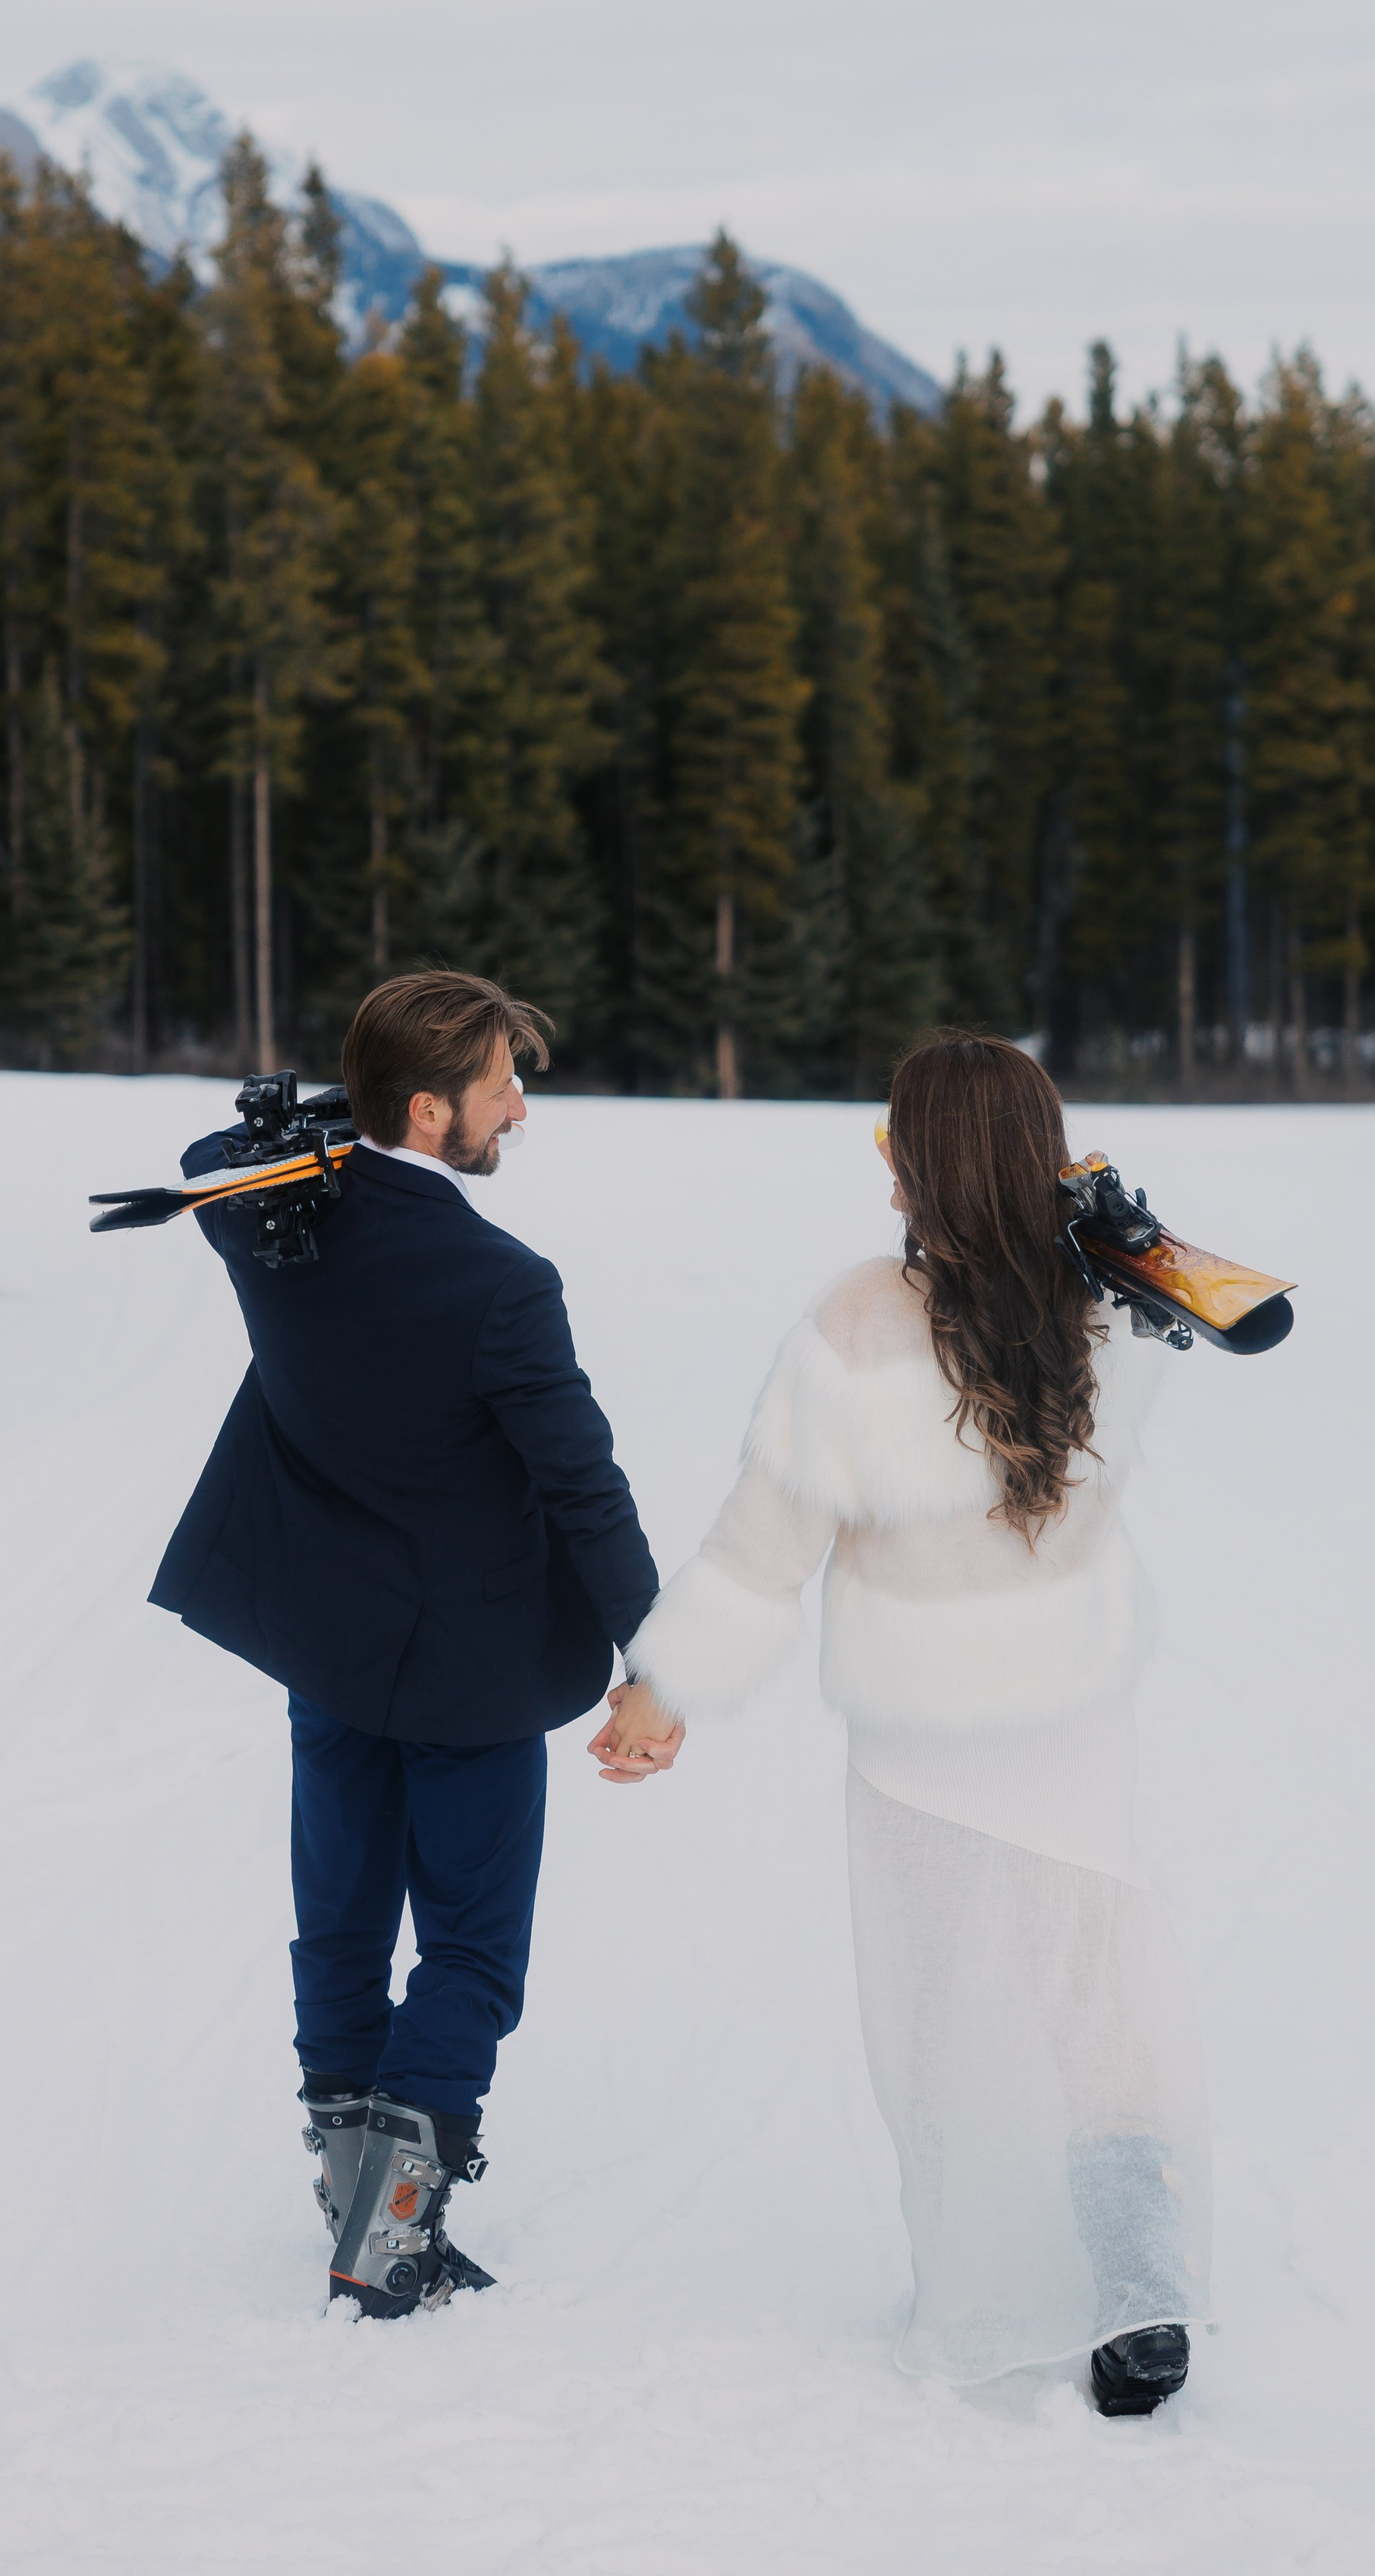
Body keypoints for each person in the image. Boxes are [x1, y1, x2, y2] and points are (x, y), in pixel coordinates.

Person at [595, 1032, 1211, 2415]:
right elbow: (1191, 1331)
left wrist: (661, 1686)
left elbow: (764, 1550)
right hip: (1073, 1721)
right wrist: (1129, 1238)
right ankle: (1138, 2295)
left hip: (926, 1740)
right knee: (1090, 1993)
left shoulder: (860, 1322)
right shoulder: (1113, 1301)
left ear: (912, 1164)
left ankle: (980, 2282)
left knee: (941, 2014)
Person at [152, 970, 662, 2319]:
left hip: (328, 1643)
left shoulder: (265, 1217)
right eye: (503, 1086)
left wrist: (351, 1111)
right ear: (432, 1110)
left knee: (342, 1915)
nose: (522, 1111)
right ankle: (390, 2226)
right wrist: (654, 1656)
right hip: (469, 1668)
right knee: (474, 1953)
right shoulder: (500, 1283)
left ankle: (348, 2178)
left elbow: (211, 1156)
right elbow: (582, 1482)